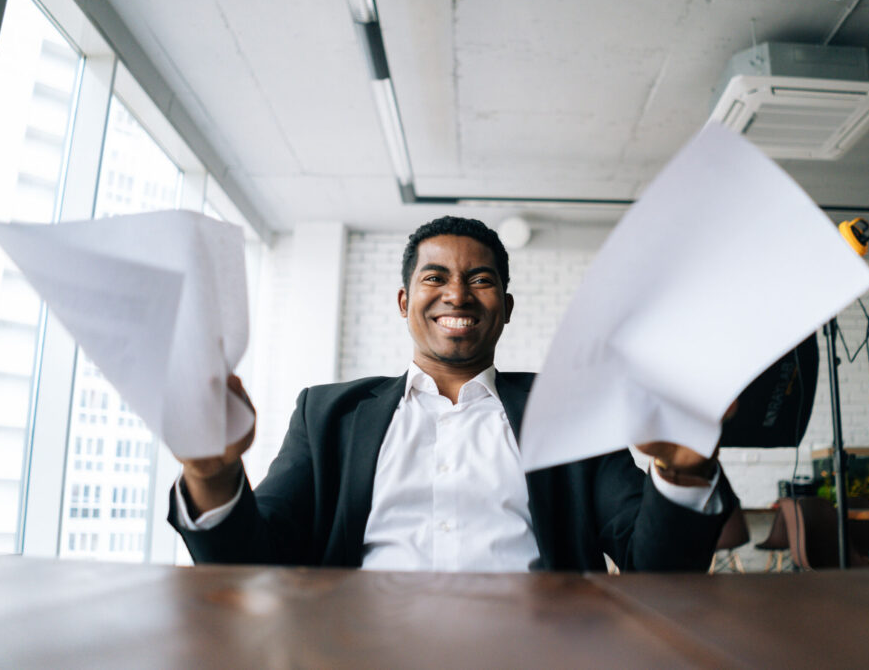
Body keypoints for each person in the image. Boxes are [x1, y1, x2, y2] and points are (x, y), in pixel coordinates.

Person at [169, 216, 737, 572]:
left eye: (481, 280)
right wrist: (212, 478)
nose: (458, 295)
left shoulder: (570, 410)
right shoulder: (327, 415)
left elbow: (657, 568)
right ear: (403, 302)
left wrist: (683, 470)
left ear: (506, 308)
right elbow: (254, 563)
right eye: (435, 277)